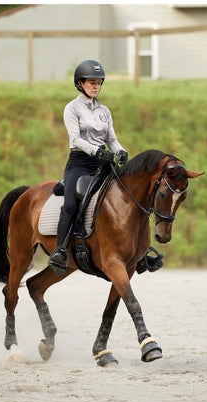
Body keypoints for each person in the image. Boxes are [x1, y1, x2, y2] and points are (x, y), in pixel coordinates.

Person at [48, 59, 128, 275]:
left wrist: (120, 150)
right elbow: (75, 139)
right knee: (72, 204)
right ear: (80, 83)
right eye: (91, 82)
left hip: (103, 162)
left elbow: (111, 139)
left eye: (99, 83)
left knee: (126, 195)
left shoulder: (104, 111)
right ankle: (60, 250)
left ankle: (137, 249)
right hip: (80, 163)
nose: (96, 86)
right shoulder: (71, 108)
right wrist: (97, 150)